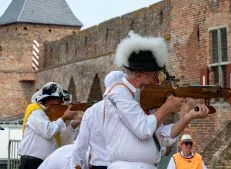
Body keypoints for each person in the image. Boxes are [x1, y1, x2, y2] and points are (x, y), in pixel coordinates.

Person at [102, 31, 211, 169]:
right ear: (139, 76)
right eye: (154, 76)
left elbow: (163, 134)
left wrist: (189, 116)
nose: (157, 81)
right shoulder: (119, 93)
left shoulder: (140, 97)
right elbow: (143, 129)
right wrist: (167, 107)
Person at [71, 70, 125, 169]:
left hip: (99, 164)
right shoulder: (131, 109)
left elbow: (81, 143)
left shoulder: (91, 111)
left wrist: (75, 163)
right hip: (123, 165)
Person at [18, 82, 78, 169]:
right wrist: (64, 117)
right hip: (32, 162)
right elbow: (48, 131)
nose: (62, 102)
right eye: (60, 99)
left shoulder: (51, 117)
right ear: (49, 99)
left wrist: (74, 124)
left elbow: (61, 141)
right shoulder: (35, 111)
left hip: (46, 162)